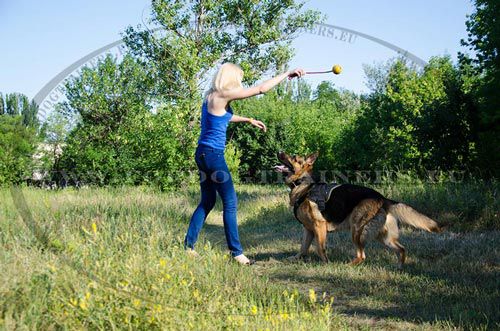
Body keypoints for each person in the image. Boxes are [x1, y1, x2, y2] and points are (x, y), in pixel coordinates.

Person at [184, 63, 305, 265]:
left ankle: (188, 246)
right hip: (214, 156)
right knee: (230, 203)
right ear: (232, 78)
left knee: (207, 201)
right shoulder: (224, 93)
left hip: (202, 154)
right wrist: (287, 73)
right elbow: (261, 89)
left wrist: (248, 119)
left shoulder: (210, 96)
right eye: (239, 78)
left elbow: (223, 117)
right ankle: (237, 253)